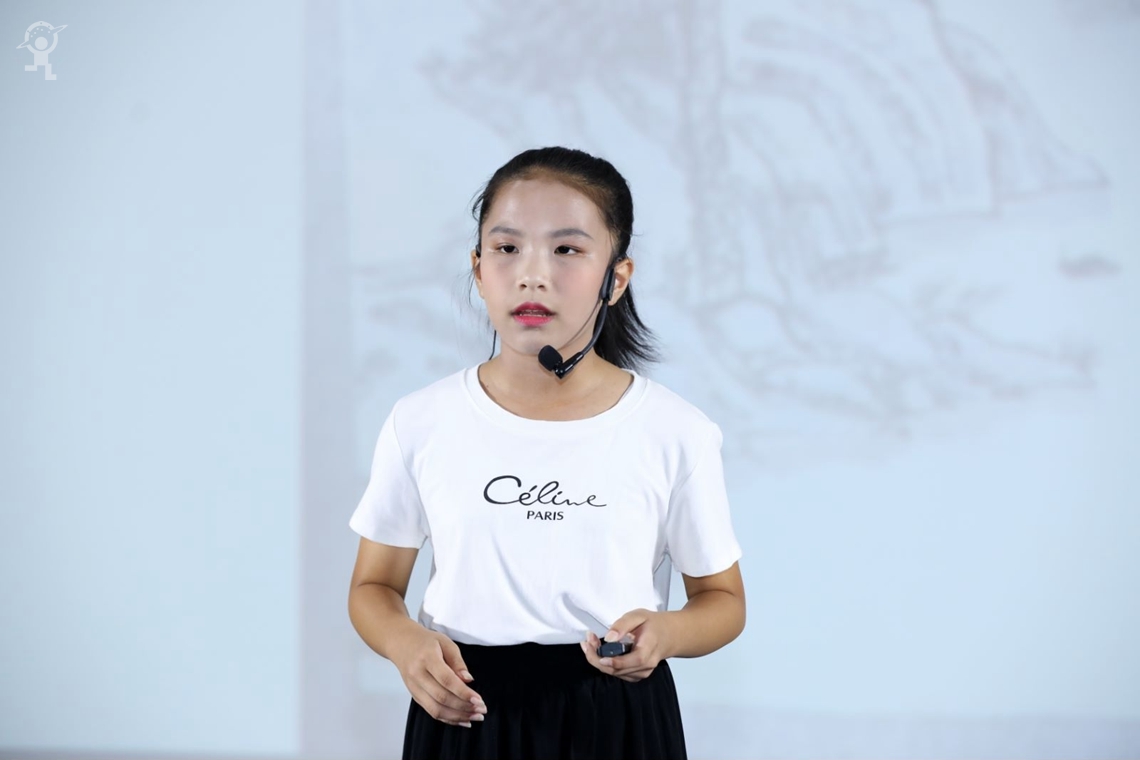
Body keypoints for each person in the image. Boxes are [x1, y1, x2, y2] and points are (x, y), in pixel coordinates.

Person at [347, 146, 746, 760]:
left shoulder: (675, 429)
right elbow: (373, 585)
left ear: (617, 278)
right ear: (478, 269)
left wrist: (665, 634)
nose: (532, 274)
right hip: (464, 713)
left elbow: (724, 602)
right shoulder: (421, 420)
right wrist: (405, 644)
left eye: (567, 250)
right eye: (508, 247)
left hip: (618, 718)